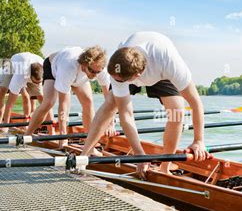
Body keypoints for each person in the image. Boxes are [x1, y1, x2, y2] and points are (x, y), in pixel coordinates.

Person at [80, 31, 210, 178]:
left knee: (177, 112)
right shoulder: (117, 67)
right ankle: (84, 155)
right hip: (128, 68)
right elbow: (126, 114)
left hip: (159, 69)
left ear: (138, 76)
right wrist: (139, 154)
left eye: (120, 81)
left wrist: (199, 140)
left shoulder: (170, 62)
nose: (116, 81)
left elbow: (196, 103)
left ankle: (164, 167)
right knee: (110, 103)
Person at [24, 46, 112, 148]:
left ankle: (89, 141)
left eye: (98, 72)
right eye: (92, 71)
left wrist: (110, 124)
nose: (95, 75)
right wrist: (63, 137)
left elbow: (109, 99)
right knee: (49, 102)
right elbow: (63, 105)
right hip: (53, 67)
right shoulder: (69, 67)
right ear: (84, 65)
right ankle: (27, 135)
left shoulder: (100, 69)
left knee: (88, 102)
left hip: (77, 75)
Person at [0, 52, 44, 131]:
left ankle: (26, 124)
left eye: (38, 82)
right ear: (30, 76)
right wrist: (6, 125)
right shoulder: (20, 76)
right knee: (1, 90)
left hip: (32, 65)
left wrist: (52, 130)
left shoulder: (46, 70)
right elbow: (10, 103)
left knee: (37, 97)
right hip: (12, 64)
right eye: (35, 82)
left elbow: (47, 104)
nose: (37, 84)